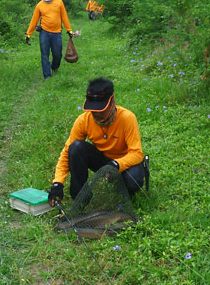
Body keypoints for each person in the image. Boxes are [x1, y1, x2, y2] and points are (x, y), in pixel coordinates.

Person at [48, 77, 146, 205]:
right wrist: (57, 183)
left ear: (112, 101)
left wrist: (116, 165)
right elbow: (67, 152)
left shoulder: (127, 118)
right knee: (76, 147)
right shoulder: (83, 120)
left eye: (101, 109)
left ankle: (125, 192)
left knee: (133, 180)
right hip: (102, 162)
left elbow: (137, 154)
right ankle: (81, 198)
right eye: (93, 109)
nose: (96, 113)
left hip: (124, 164)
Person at [25, 0, 74, 79]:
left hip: (57, 33)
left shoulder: (59, 2)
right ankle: (47, 75)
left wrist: (69, 30)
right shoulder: (39, 5)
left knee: (57, 54)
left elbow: (64, 17)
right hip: (44, 33)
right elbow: (34, 20)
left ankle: (54, 67)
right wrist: (28, 34)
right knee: (45, 55)